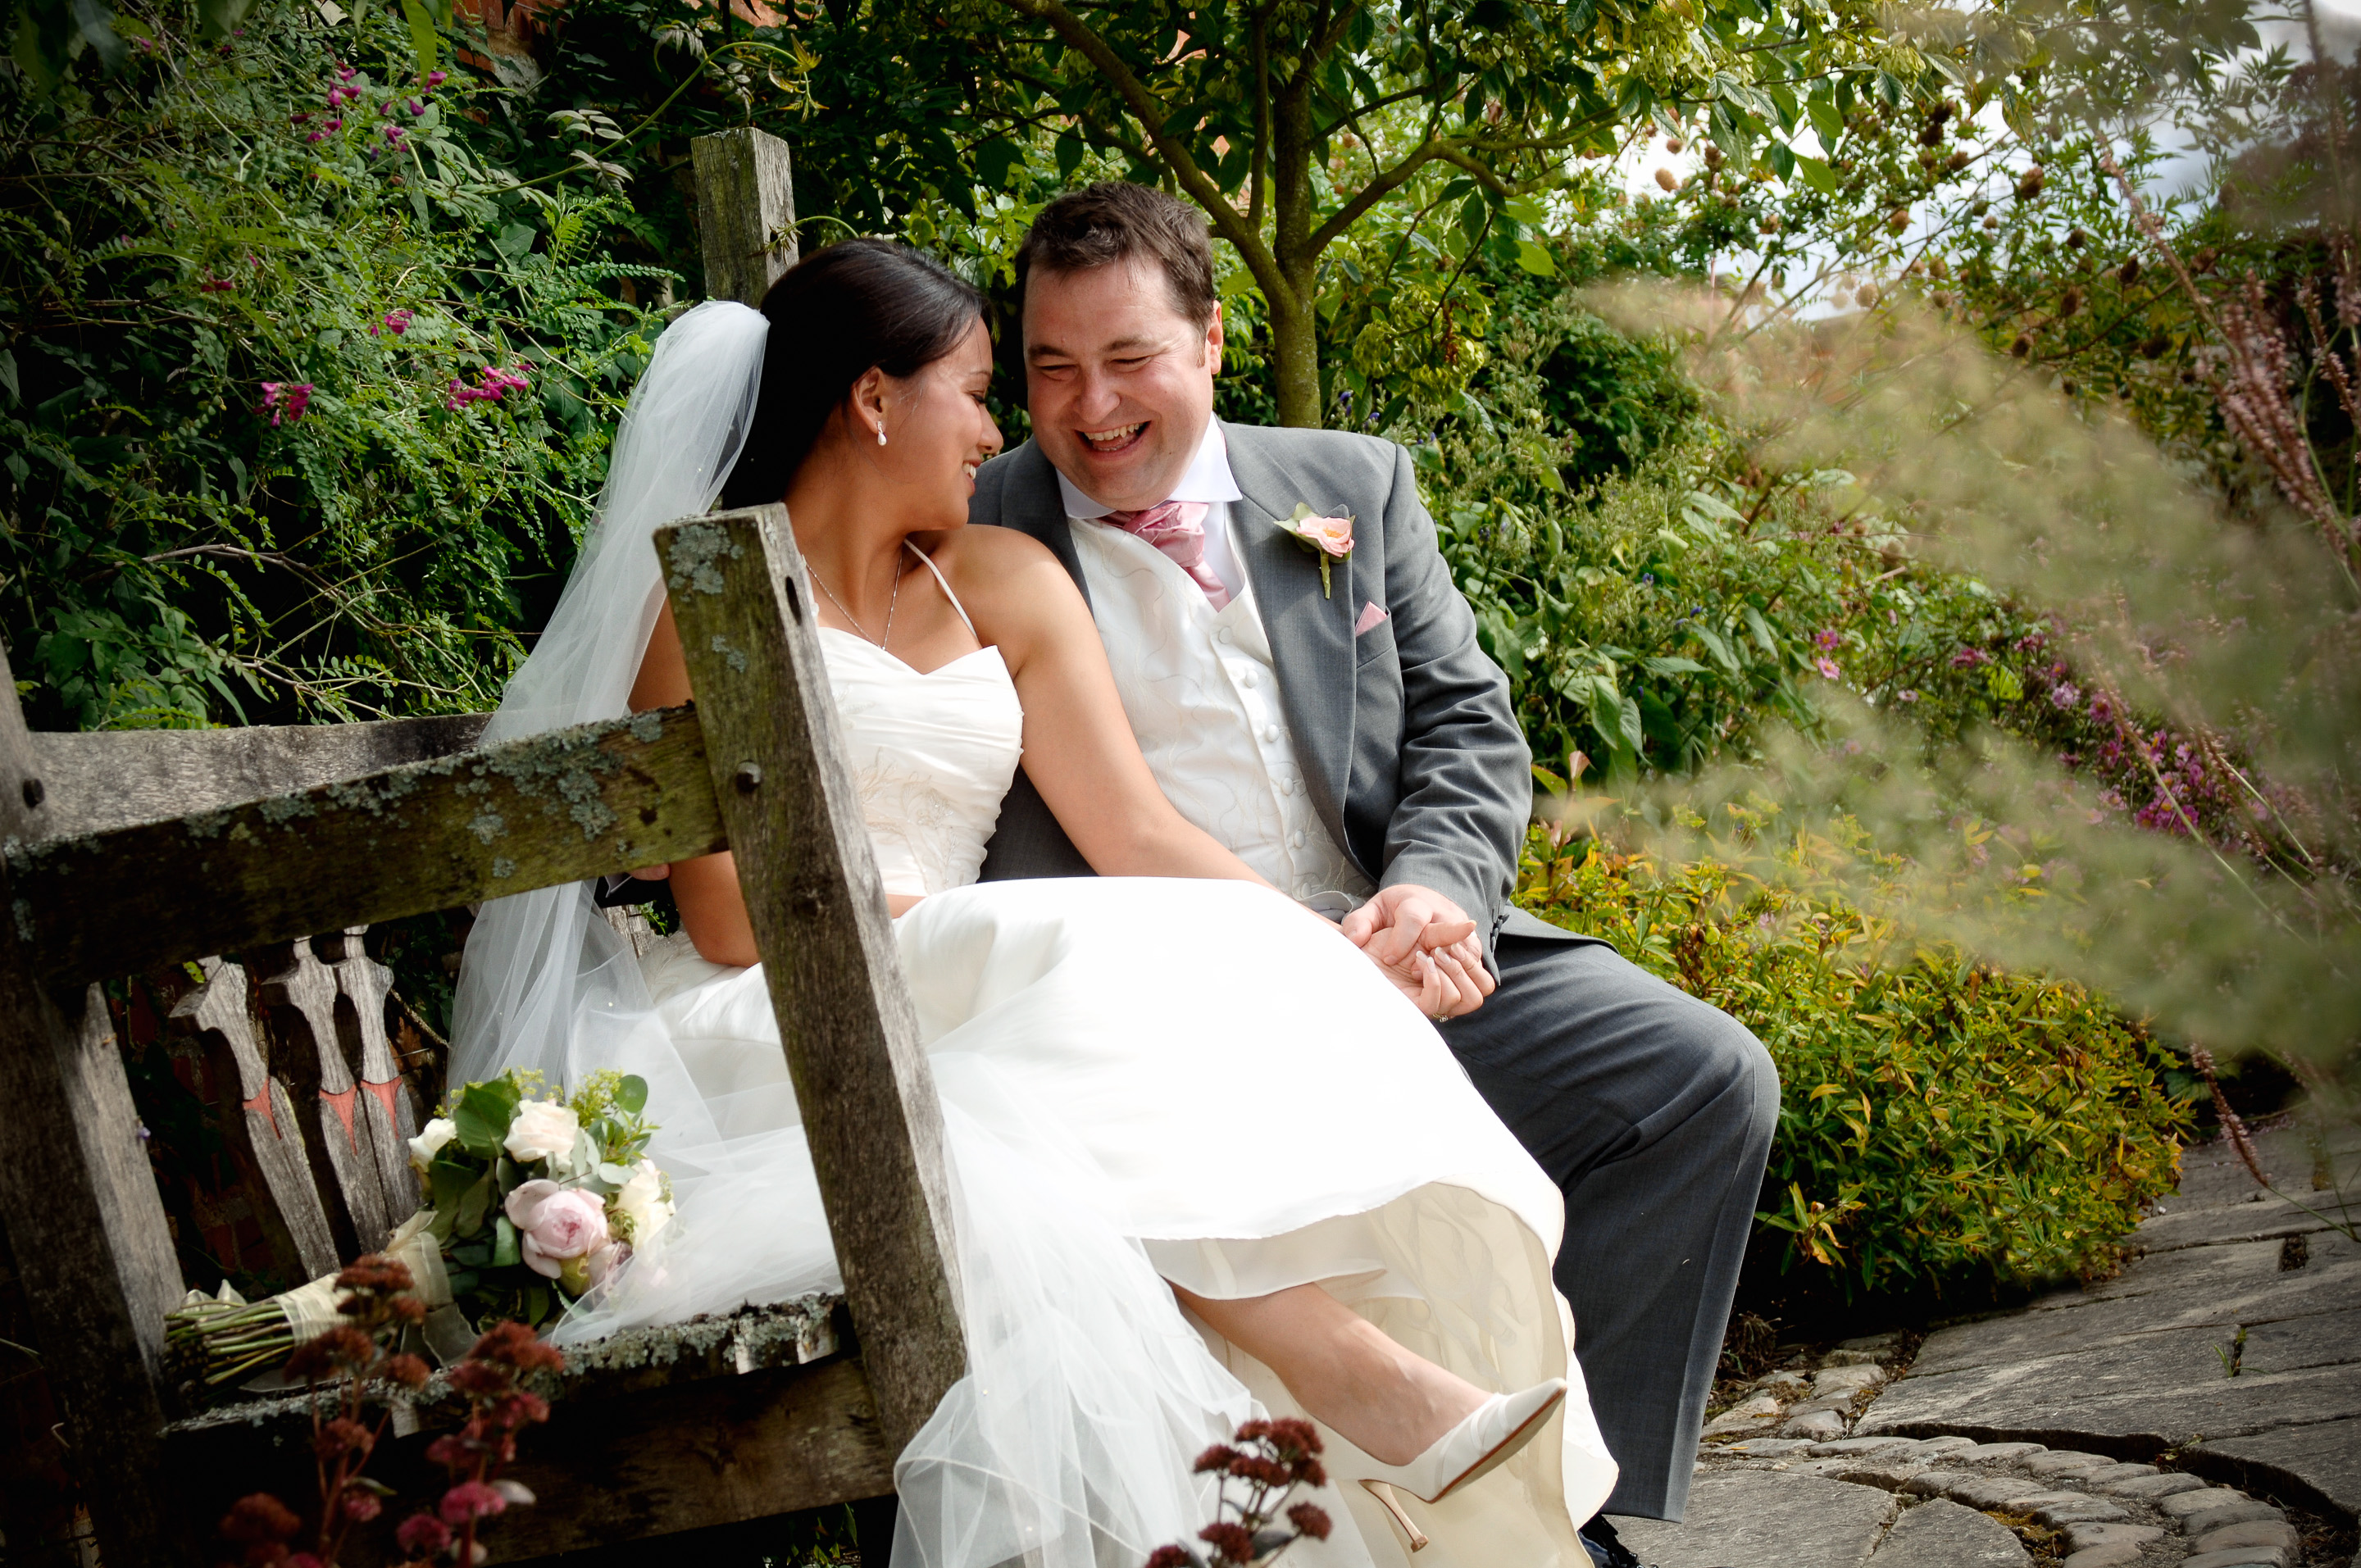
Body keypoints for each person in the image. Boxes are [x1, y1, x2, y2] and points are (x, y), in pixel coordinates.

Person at [450, 239, 1620, 1568]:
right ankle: (1363, 1379)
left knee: (1099, 1000)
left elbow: (1136, 831)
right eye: (976, 387)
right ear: (875, 400)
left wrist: (1326, 952)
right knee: (1033, 969)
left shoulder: (999, 578)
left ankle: (1379, 1395)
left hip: (961, 1002)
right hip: (775, 1022)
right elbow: (724, 918)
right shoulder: (701, 599)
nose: (999, 428)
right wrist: (902, 918)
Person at [967, 182, 1781, 1563]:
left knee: (1700, 1080)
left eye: (1127, 360)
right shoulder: (978, 525)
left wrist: (1433, 892)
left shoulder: (1347, 484)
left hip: (1407, 943)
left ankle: (1555, 1497)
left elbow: (1466, 719)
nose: (1089, 406)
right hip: (1169, 1013)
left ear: (1213, 343)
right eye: (1050, 365)